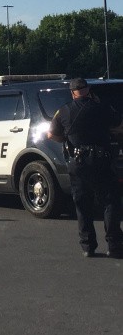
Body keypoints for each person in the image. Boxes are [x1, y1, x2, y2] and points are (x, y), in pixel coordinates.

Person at [48, 77, 123, 258]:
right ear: (88, 90)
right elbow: (120, 126)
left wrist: (67, 140)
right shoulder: (102, 107)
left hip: (78, 162)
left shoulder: (64, 111)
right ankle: (114, 246)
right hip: (102, 160)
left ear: (73, 93)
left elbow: (51, 135)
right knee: (110, 201)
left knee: (82, 204)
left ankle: (88, 247)